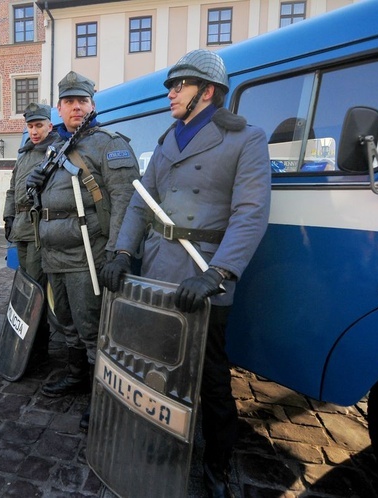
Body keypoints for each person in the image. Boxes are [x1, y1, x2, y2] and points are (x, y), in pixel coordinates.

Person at [100, 49, 271, 498]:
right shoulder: (166, 141)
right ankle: (166, 441)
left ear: (208, 92)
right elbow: (140, 201)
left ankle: (218, 463)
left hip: (204, 273)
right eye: (170, 86)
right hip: (160, 269)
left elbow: (250, 213)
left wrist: (220, 272)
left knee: (211, 378)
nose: (171, 93)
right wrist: (121, 251)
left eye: (180, 86)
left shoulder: (245, 138)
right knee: (161, 368)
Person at [26, 71, 140, 430]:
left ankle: (101, 394)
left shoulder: (109, 143)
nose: (76, 107)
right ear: (58, 109)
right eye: (69, 102)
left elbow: (126, 200)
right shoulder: (57, 147)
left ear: (92, 105)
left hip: (88, 255)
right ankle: (76, 376)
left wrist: (120, 251)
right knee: (66, 324)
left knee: (92, 329)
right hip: (54, 254)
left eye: (83, 101)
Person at [3, 102, 59, 369]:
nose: (34, 131)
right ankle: (27, 341)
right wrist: (8, 216)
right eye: (30, 126)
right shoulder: (25, 153)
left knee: (36, 287)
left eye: (39, 125)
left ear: (50, 125)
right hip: (22, 225)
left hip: (39, 225)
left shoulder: (57, 149)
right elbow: (12, 188)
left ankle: (38, 347)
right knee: (24, 284)